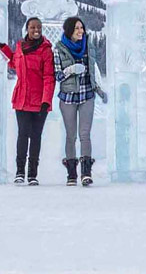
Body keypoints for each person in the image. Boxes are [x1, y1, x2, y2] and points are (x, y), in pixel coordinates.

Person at [0, 17, 55, 186]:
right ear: (27, 29)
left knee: (35, 136)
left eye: (39, 27)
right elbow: (14, 64)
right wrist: (3, 48)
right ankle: (19, 172)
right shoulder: (20, 46)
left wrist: (46, 101)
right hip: (21, 99)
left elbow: (49, 77)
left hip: (39, 101)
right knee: (22, 135)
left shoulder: (46, 50)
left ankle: (32, 174)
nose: (36, 30)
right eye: (33, 27)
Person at [54, 16, 107, 187]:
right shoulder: (59, 49)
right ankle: (71, 174)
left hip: (87, 95)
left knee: (85, 134)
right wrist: (70, 70)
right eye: (77, 28)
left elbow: (93, 70)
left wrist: (99, 90)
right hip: (68, 97)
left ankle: (86, 173)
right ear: (69, 30)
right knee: (71, 136)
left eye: (82, 28)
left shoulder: (87, 46)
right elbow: (57, 75)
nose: (81, 31)